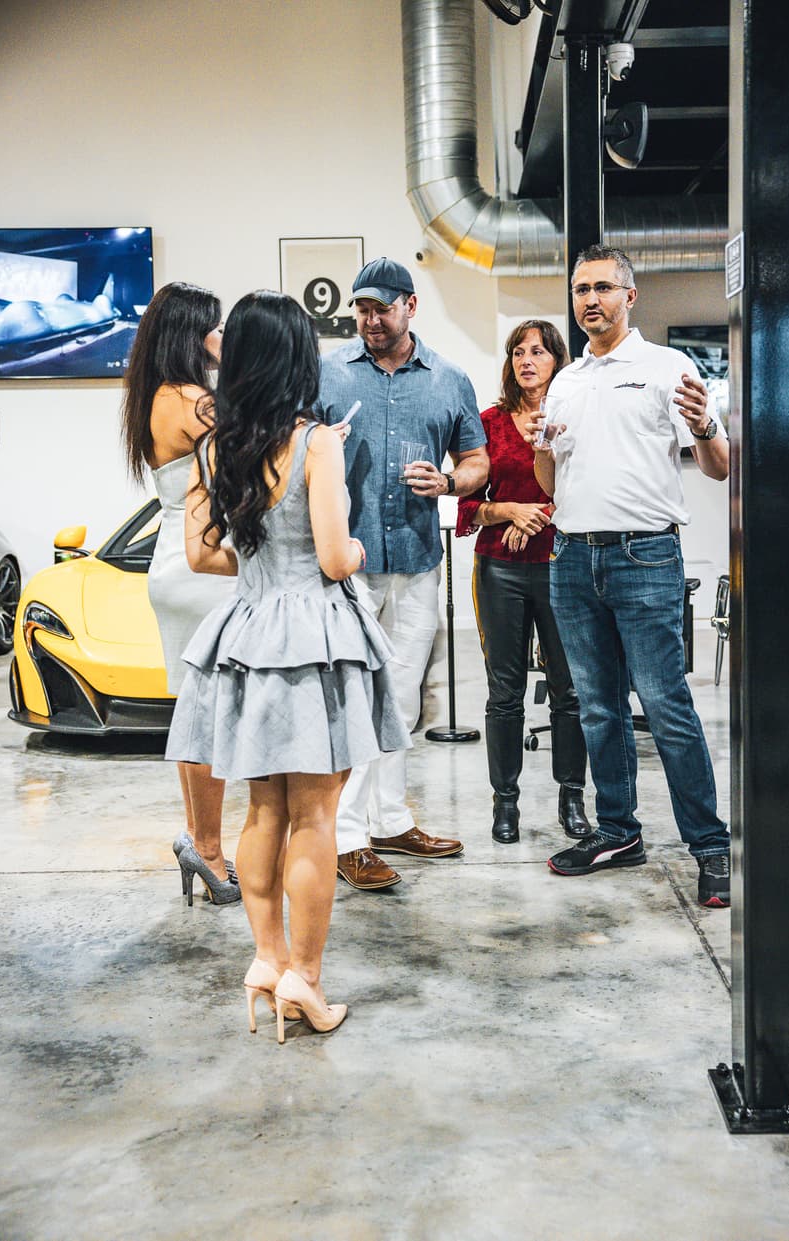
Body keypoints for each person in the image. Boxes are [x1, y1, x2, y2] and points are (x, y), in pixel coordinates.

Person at [164, 290, 410, 1040]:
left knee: (262, 809)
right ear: (297, 357)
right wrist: (357, 551)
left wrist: (256, 561)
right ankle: (306, 977)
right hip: (315, 638)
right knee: (315, 814)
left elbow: (203, 552)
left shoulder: (213, 447)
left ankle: (267, 961)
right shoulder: (317, 443)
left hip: (245, 630)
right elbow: (336, 557)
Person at [533, 244, 731, 908]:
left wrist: (704, 422)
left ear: (630, 295)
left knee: (667, 706)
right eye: (580, 289)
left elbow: (719, 466)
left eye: (602, 288)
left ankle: (710, 847)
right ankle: (619, 832)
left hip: (644, 557)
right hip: (571, 557)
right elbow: (550, 479)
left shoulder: (667, 368)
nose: (589, 299)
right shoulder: (565, 380)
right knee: (598, 707)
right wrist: (541, 445)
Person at [317, 257, 489, 890]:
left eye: (380, 308)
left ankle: (388, 819)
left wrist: (449, 482)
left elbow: (478, 460)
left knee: (400, 697)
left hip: (417, 561)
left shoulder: (449, 380)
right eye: (361, 308)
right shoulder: (326, 372)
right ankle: (347, 837)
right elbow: (293, 450)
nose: (369, 319)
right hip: (345, 567)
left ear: (410, 307)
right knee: (358, 701)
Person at [121, 281, 240, 907]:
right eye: (213, 329)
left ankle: (200, 839)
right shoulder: (198, 403)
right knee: (212, 723)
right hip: (204, 568)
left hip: (174, 562)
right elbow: (238, 478)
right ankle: (212, 849)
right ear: (193, 335)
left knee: (196, 717)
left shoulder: (154, 397)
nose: (221, 338)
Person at [456, 320, 590, 845]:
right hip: (500, 571)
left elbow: (596, 485)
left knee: (570, 692)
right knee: (505, 693)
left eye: (538, 351)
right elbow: (467, 504)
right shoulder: (487, 422)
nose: (526, 359)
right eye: (518, 351)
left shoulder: (577, 415)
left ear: (557, 359)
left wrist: (542, 513)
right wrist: (509, 510)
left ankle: (572, 800)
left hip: (564, 564)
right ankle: (505, 804)